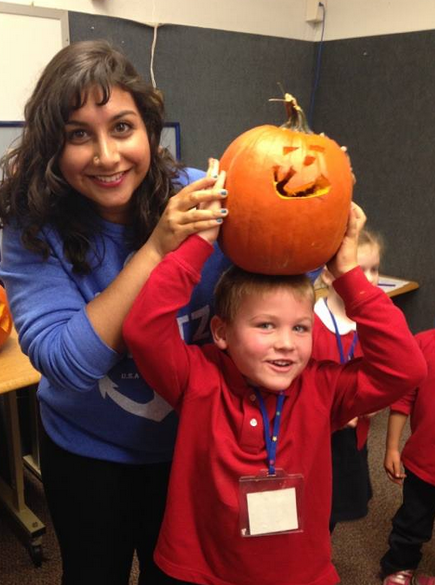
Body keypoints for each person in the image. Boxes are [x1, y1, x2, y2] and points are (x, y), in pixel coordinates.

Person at [0, 40, 230, 585]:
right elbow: (67, 361)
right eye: (78, 135)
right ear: (53, 145)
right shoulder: (32, 228)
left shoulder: (200, 198)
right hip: (87, 454)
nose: (106, 155)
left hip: (193, 445)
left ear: (148, 130)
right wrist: (158, 249)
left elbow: (289, 266)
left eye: (121, 127)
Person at [122, 203, 427, 585]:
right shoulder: (197, 376)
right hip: (199, 571)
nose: (286, 343)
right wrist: (199, 244)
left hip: (299, 573)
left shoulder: (323, 386)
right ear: (220, 332)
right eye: (266, 325)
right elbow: (142, 330)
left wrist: (349, 275)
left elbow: (406, 367)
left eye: (300, 328)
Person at [312, 228, 383, 532]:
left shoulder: (375, 324)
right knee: (305, 504)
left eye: (374, 269)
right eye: (357, 269)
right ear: (329, 275)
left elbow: (386, 376)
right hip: (313, 439)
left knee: (334, 509)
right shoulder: (310, 322)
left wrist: (373, 404)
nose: (368, 278)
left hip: (352, 439)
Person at [380, 330, 435, 585]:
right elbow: (403, 399)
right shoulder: (423, 344)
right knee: (412, 522)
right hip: (424, 463)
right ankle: (400, 566)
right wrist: (392, 447)